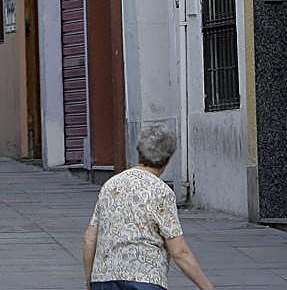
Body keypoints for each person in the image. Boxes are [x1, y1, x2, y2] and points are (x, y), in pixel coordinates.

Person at [82, 123, 214, 290]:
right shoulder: (161, 192)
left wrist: (90, 280)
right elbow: (179, 251)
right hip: (145, 280)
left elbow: (89, 238)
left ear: (139, 151)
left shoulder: (111, 185)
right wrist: (207, 287)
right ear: (167, 158)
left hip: (104, 279)